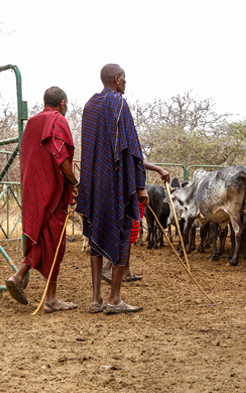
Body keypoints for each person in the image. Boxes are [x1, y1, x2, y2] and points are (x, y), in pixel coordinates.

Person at [78, 63, 156, 314]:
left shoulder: (89, 106)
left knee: (96, 239)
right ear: (115, 79)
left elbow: (89, 147)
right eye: (123, 78)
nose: (126, 82)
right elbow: (132, 149)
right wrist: (140, 186)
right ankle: (114, 299)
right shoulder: (119, 104)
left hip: (93, 185)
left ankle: (95, 299)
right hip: (118, 185)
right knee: (122, 237)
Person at [5, 86, 79, 313]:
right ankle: (51, 299)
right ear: (63, 103)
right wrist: (74, 183)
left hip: (33, 190)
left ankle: (18, 276)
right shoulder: (56, 120)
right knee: (56, 242)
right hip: (53, 191)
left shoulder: (33, 123)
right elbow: (60, 153)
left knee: (42, 237)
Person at [101, 160, 170, 284]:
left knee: (130, 235)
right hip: (129, 194)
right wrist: (159, 169)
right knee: (125, 233)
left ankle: (125, 272)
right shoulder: (127, 144)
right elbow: (137, 159)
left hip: (130, 193)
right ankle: (107, 266)